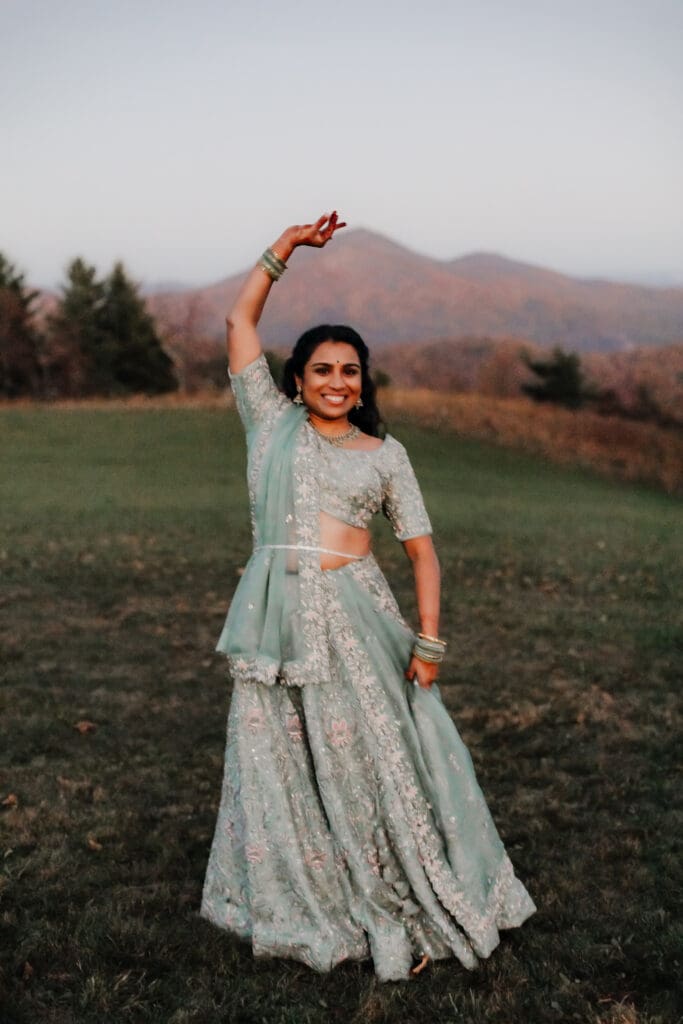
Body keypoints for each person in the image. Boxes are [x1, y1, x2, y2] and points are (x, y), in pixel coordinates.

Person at [200, 213, 536, 982]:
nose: (336, 382)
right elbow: (237, 318)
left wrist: (428, 642)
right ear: (294, 380)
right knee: (282, 751)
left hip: (354, 616)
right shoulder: (268, 425)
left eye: (349, 371)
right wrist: (282, 249)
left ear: (363, 383)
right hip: (274, 618)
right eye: (322, 369)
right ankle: (308, 887)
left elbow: (422, 552)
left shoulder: (386, 455)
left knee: (374, 760)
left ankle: (388, 888)